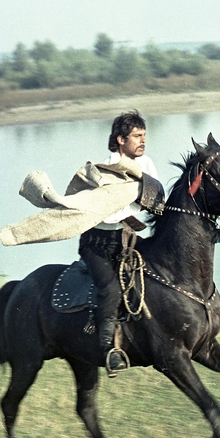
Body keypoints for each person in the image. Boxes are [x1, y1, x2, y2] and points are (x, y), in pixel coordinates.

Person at [78, 110, 159, 376]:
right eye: (137, 136)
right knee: (111, 290)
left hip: (128, 240)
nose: (142, 140)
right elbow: (109, 213)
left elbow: (156, 198)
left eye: (144, 135)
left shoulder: (147, 164)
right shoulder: (104, 171)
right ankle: (107, 351)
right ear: (121, 139)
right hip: (98, 244)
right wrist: (132, 211)